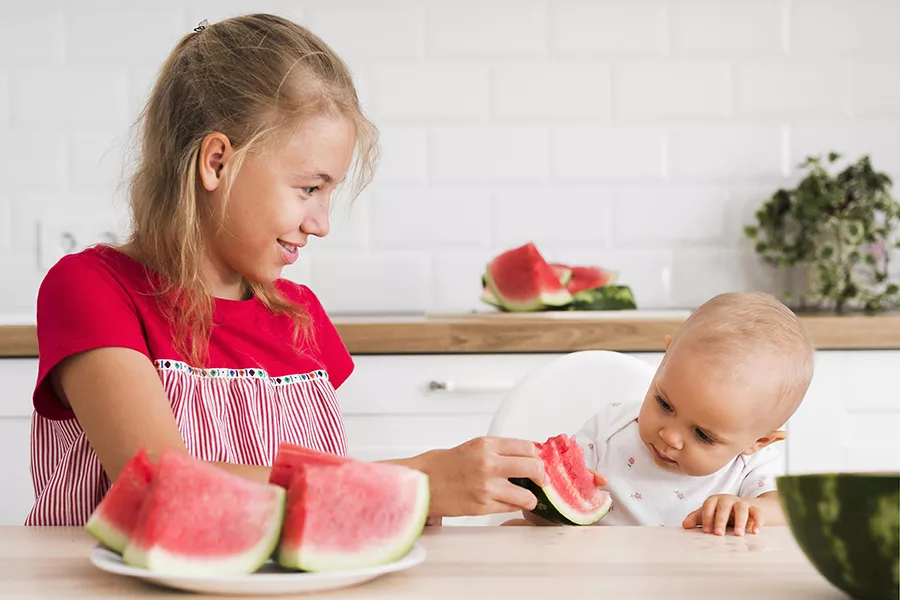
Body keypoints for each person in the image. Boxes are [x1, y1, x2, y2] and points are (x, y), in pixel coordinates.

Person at [26, 14, 546, 526]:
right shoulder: (92, 289)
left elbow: (331, 503)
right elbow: (162, 486)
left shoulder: (301, 316)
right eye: (308, 188)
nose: (320, 224)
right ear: (217, 162)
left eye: (329, 194)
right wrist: (417, 482)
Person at [506, 292, 815, 536]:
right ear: (664, 360)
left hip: (699, 583)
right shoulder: (609, 429)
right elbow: (552, 515)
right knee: (513, 532)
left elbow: (787, 511)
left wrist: (748, 510)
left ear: (758, 441)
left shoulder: (748, 465)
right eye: (665, 404)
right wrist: (536, 499)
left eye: (703, 435)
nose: (669, 436)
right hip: (605, 576)